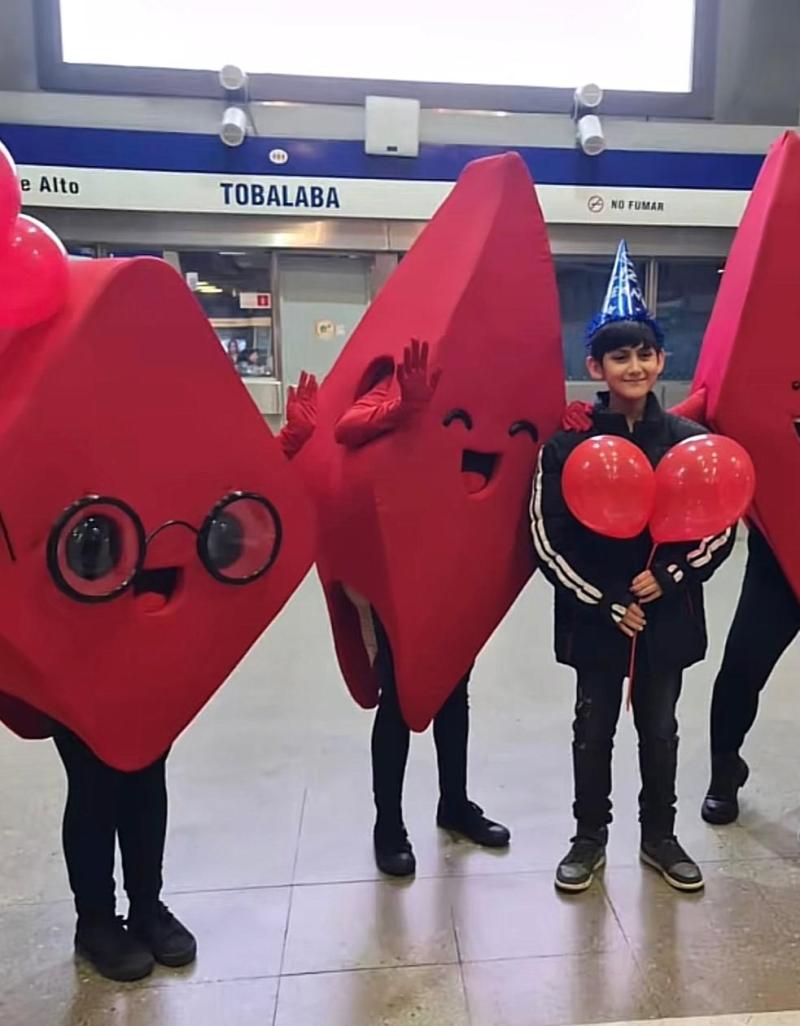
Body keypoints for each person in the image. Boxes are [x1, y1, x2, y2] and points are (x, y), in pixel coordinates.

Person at [46, 371, 319, 982]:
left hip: (156, 638)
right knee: (93, 782)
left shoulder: (166, 434)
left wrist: (284, 454)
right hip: (79, 634)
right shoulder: (62, 431)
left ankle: (146, 906)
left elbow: (219, 508)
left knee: (146, 773)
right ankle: (95, 920)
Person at [531, 242, 734, 894]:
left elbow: (718, 525)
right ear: (596, 364)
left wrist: (670, 577)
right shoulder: (567, 445)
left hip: (667, 617)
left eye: (645, 353)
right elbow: (546, 538)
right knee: (592, 729)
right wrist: (608, 598)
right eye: (620, 355)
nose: (635, 365)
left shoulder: (686, 442)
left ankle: (659, 836)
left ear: (662, 360)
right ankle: (589, 837)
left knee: (661, 729)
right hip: (598, 616)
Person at [335, 341, 510, 877]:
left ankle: (453, 803)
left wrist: (566, 424)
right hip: (393, 566)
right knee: (400, 692)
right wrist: (403, 408)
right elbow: (348, 428)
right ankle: (388, 824)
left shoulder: (481, 385)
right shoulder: (396, 373)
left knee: (453, 690)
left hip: (454, 562)